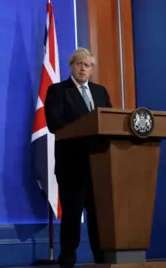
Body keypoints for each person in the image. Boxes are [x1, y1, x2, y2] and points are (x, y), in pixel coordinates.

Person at [44, 47, 113, 268]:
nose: (83, 68)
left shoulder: (100, 91)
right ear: (71, 66)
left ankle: (102, 260)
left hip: (99, 165)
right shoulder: (58, 91)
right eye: (79, 64)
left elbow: (109, 121)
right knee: (72, 217)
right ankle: (67, 261)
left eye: (88, 65)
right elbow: (55, 123)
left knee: (98, 218)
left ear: (92, 69)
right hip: (72, 166)